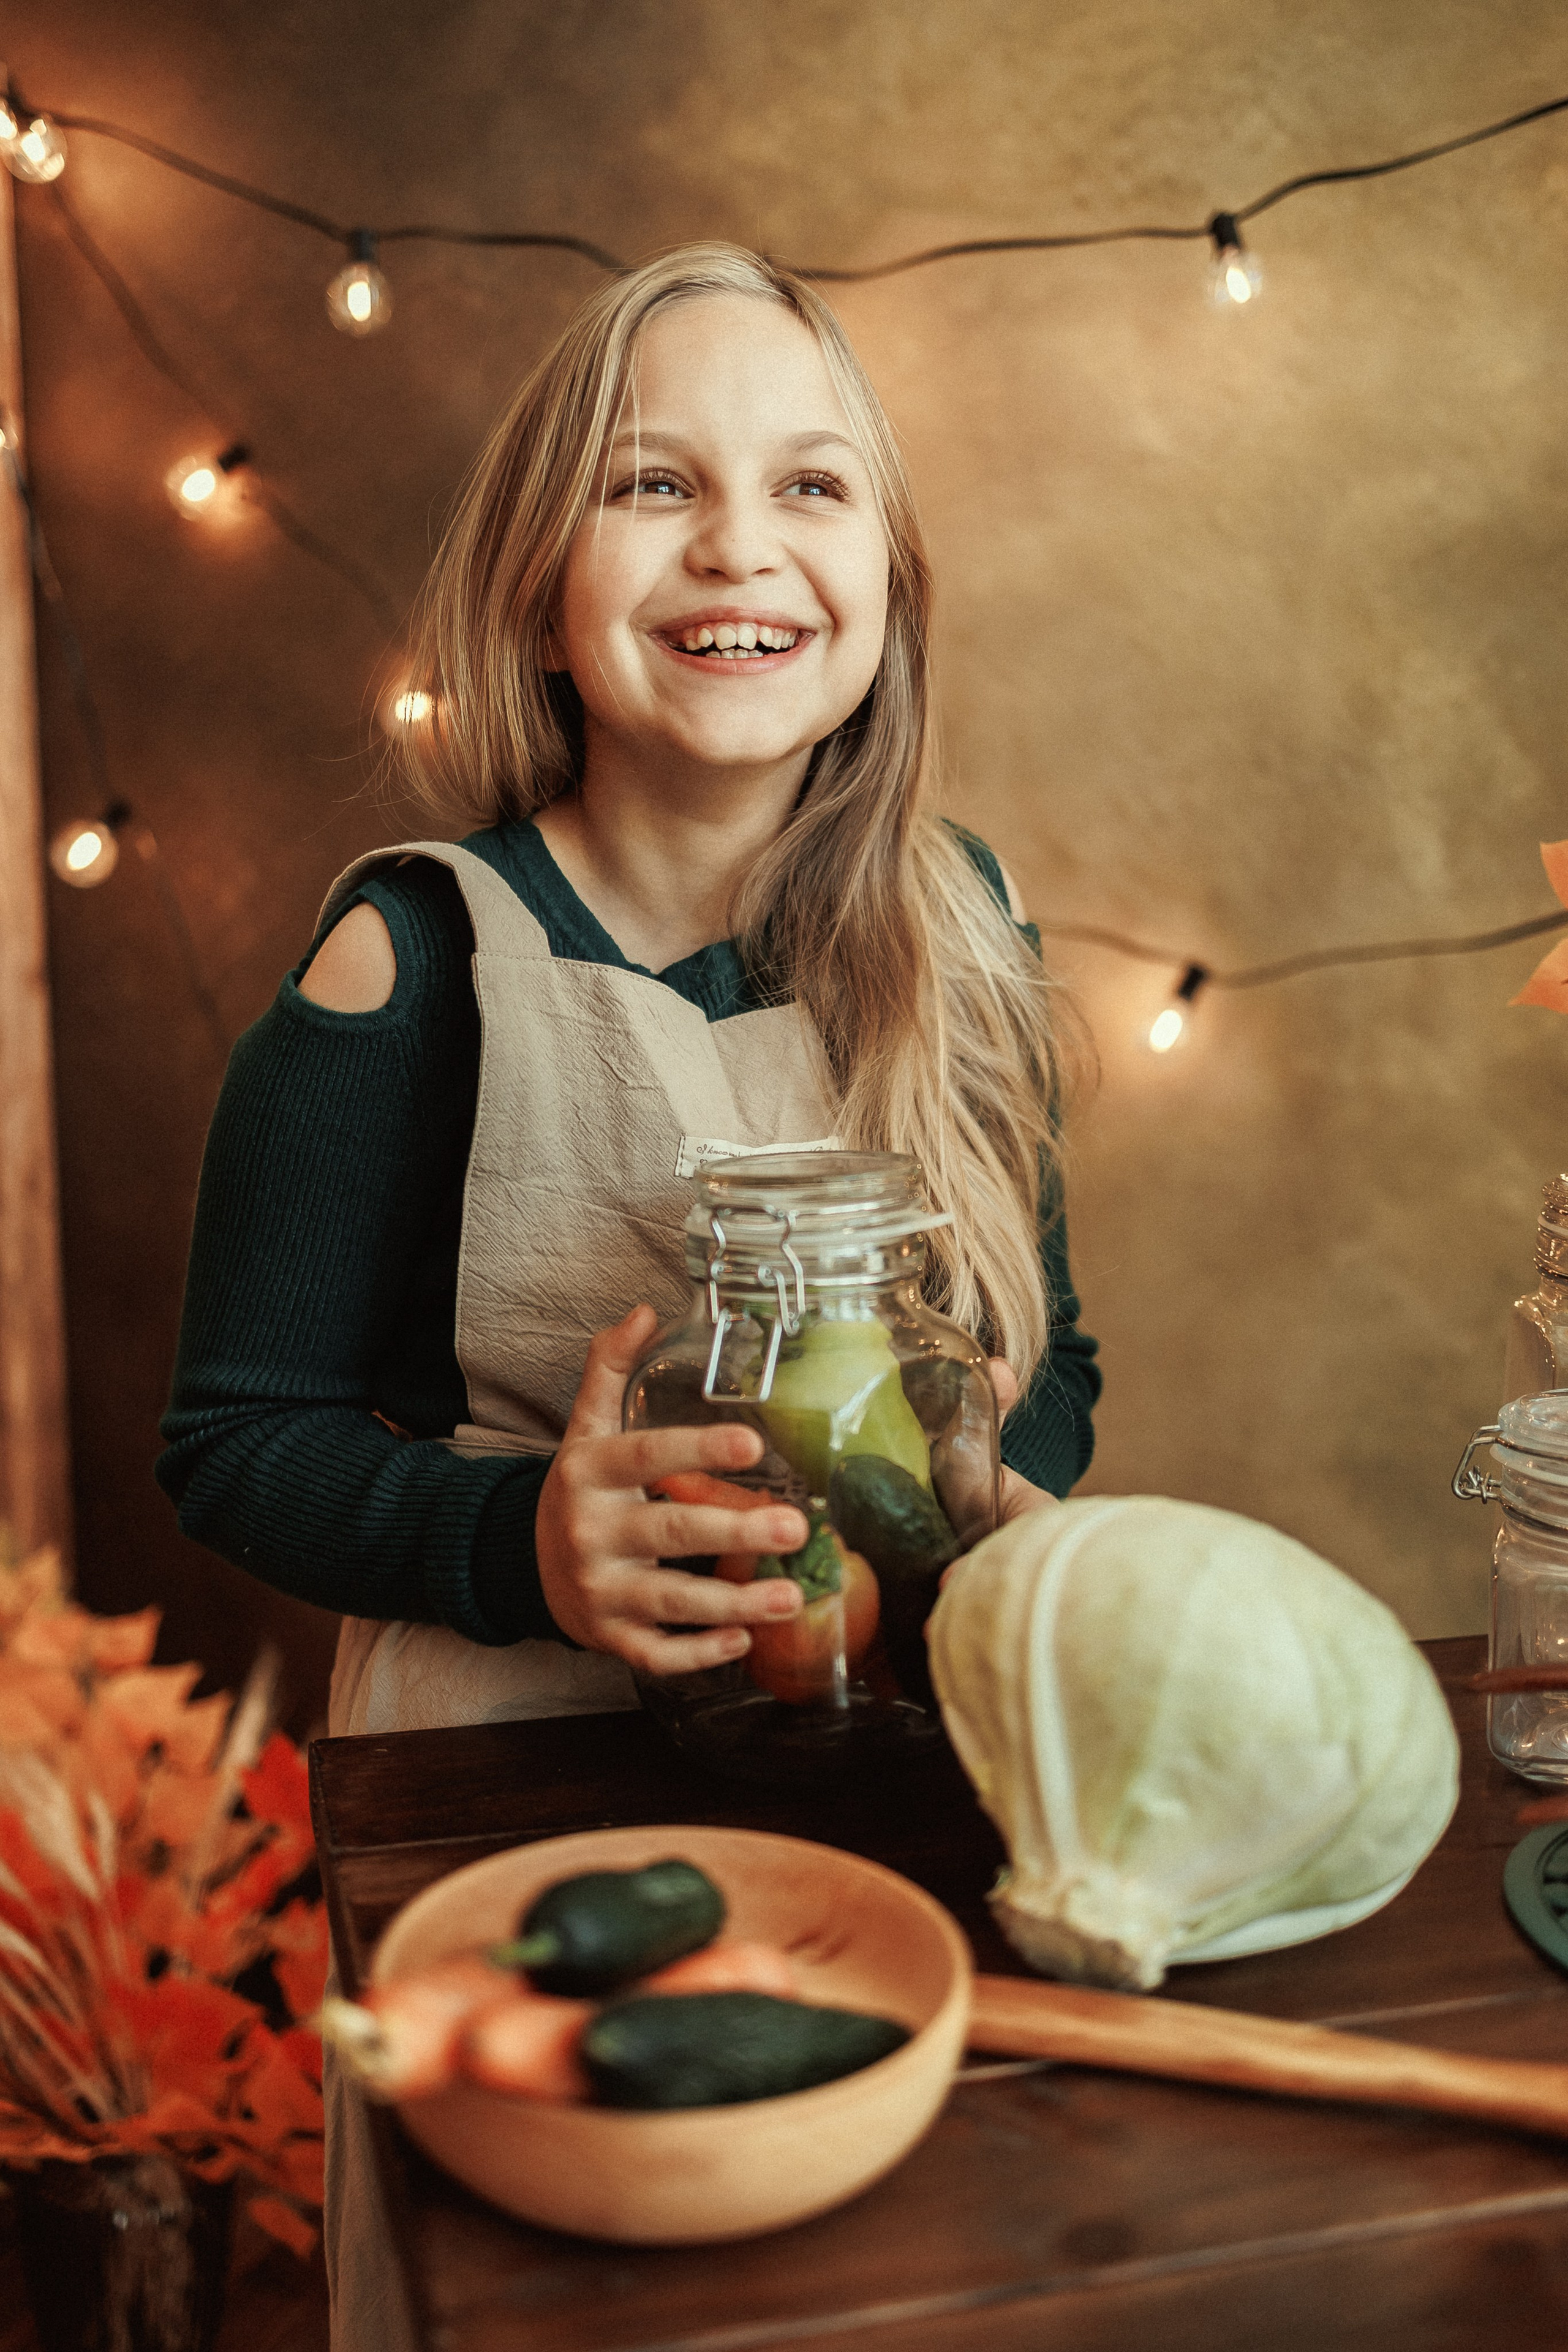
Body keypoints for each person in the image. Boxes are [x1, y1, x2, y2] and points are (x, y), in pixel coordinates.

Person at [157, 243, 1099, 2345]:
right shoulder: (407, 966)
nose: (739, 545)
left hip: (893, 1761)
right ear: (536, 582)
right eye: (654, 484)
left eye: (814, 486)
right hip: (504, 1798)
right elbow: (232, 1447)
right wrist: (523, 1541)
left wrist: (990, 1510)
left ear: (891, 584)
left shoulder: (970, 931)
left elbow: (1061, 1366)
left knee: (905, 2272)